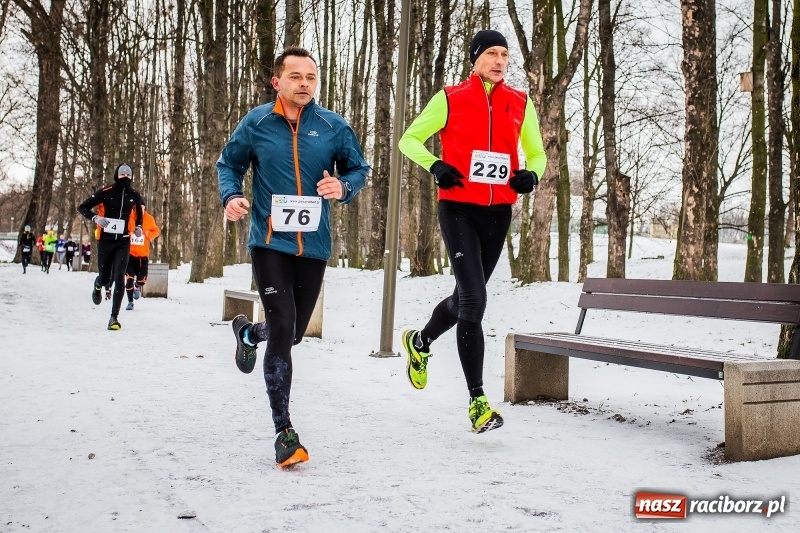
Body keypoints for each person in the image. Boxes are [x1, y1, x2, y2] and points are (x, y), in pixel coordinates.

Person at [217, 46, 369, 468]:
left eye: (311, 77)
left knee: (294, 332)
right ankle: (284, 431)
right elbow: (228, 165)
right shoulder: (257, 123)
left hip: (313, 245)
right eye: (296, 76)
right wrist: (231, 196)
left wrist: (343, 187)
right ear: (277, 81)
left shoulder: (333, 126)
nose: (304, 83)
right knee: (284, 326)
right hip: (270, 242)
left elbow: (358, 169)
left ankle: (250, 335)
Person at [398, 30, 547, 433]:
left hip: (498, 213)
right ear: (475, 59)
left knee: (464, 297)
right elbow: (409, 140)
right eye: (491, 53)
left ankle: (420, 341)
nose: (499, 61)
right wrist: (435, 165)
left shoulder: (520, 102)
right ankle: (478, 401)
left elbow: (537, 152)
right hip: (458, 209)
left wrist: (532, 174)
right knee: (475, 301)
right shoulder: (450, 98)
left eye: (504, 54)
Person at [78, 163, 143, 330]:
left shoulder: (134, 195)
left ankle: (114, 317)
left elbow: (140, 214)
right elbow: (83, 207)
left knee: (120, 276)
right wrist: (96, 218)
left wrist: (138, 227)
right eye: (122, 175)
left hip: (123, 240)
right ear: (116, 176)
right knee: (106, 277)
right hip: (105, 241)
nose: (125, 178)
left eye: (128, 176)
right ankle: (98, 284)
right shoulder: (106, 192)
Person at [124, 199, 160, 310]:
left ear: (144, 208)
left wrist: (148, 233)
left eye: (142, 207)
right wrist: (129, 234)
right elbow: (124, 230)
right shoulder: (129, 217)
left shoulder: (149, 219)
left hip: (142, 255)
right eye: (137, 208)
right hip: (130, 254)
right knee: (129, 278)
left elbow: (156, 231)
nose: (139, 209)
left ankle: (137, 286)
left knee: (142, 280)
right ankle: (130, 302)